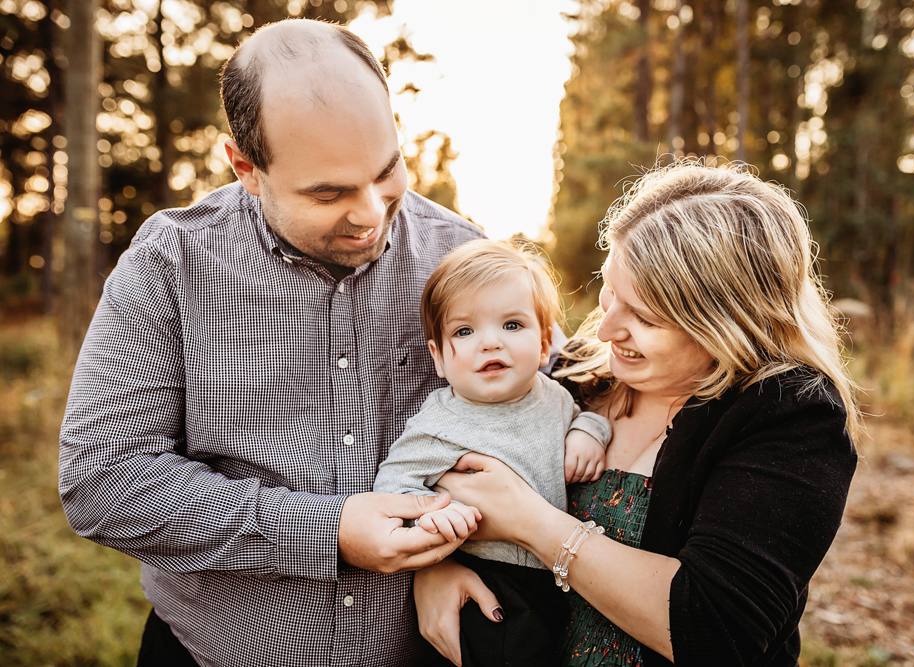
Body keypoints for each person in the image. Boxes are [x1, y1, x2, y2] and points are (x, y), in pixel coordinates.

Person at [58, 19, 491, 667]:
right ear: (245, 167)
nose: (372, 211)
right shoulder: (172, 262)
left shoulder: (463, 254)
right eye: (329, 192)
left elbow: (545, 415)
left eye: (387, 170)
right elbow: (102, 478)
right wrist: (326, 530)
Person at [414, 160, 862, 667]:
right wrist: (434, 569)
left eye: (645, 317)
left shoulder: (791, 420)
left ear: (727, 325)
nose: (604, 332)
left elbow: (718, 630)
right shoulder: (574, 377)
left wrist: (530, 523)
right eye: (609, 296)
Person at [373, 239, 612, 666]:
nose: (490, 343)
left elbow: (585, 416)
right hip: (489, 579)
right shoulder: (440, 421)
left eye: (512, 325)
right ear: (440, 358)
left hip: (558, 573)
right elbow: (393, 484)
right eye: (465, 331)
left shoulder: (555, 397)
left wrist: (588, 432)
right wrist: (430, 515)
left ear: (544, 344)